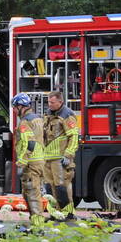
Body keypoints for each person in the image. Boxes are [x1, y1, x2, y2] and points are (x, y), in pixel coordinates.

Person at [43, 90, 79, 219]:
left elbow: (74, 136)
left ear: (60, 101)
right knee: (49, 186)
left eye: (52, 102)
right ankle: (55, 213)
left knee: (61, 185)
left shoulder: (67, 115)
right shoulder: (48, 115)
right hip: (48, 157)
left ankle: (67, 213)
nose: (49, 104)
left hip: (60, 158)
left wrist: (68, 155)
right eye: (48, 102)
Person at [11, 93, 46, 218]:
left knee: (32, 194)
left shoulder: (25, 122)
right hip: (40, 161)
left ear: (21, 106)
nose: (14, 111)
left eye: (15, 107)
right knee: (31, 192)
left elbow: (30, 143)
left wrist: (23, 160)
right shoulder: (38, 118)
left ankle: (37, 224)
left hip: (31, 163)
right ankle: (36, 220)